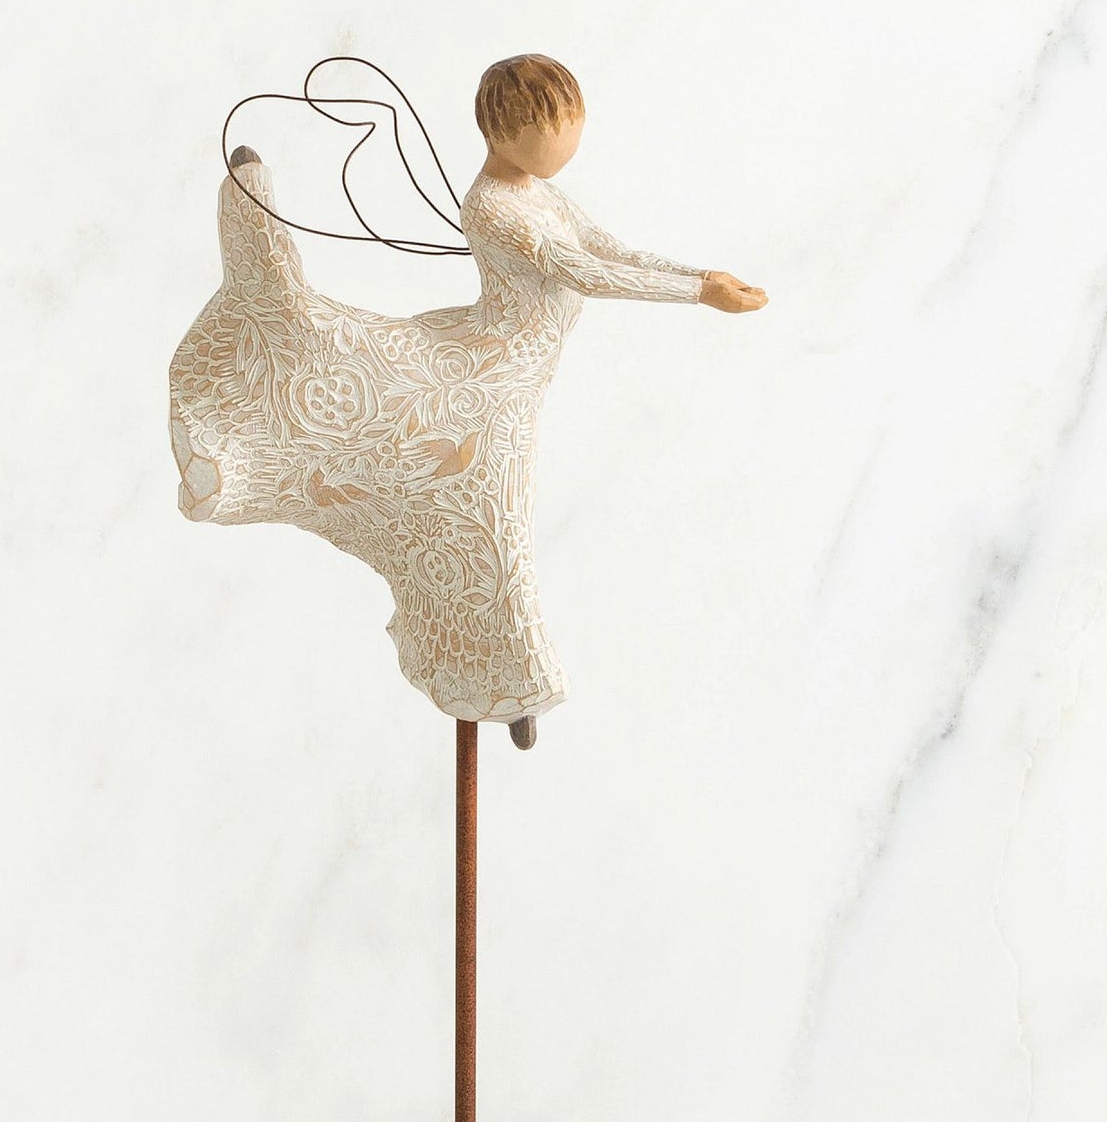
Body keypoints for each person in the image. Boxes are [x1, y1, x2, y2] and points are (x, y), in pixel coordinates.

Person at [169, 54, 766, 745]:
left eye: (573, 125)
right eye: (554, 130)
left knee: (484, 516)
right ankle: (242, 446)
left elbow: (609, 248)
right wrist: (697, 294)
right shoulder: (493, 207)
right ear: (504, 133)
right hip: (488, 379)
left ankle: (496, 676)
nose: (570, 142)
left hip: (513, 373)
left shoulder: (541, 193)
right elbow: (580, 271)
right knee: (489, 513)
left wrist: (702, 274)